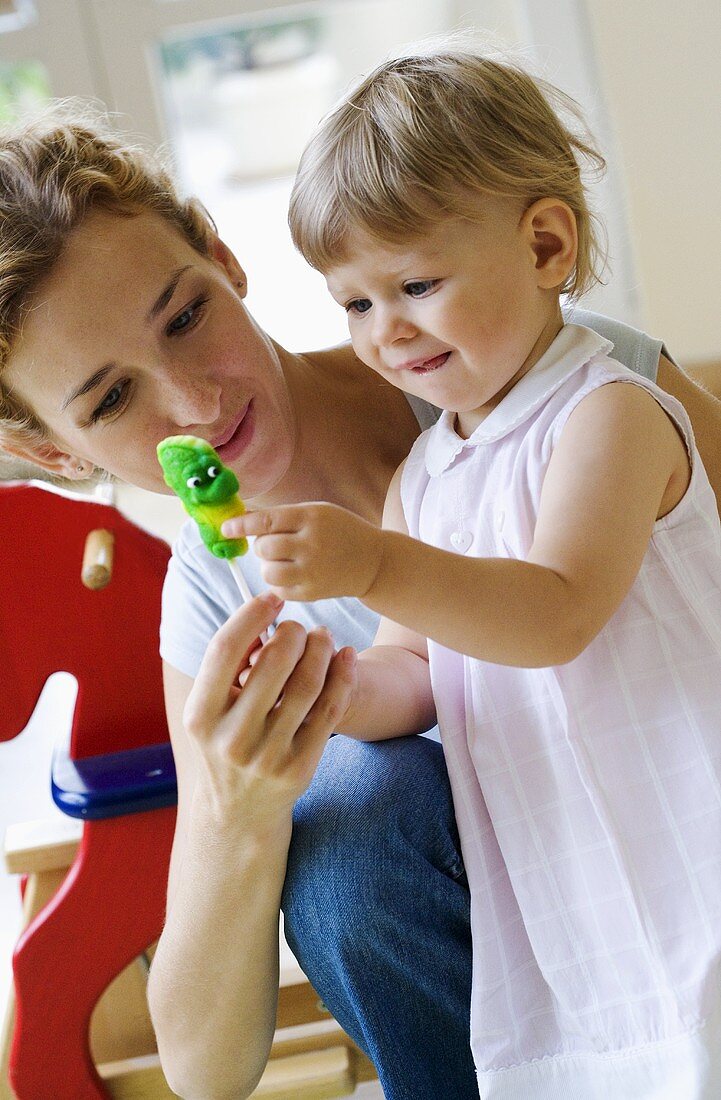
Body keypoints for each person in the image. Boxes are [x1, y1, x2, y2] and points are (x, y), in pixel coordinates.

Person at [0, 85, 719, 1100]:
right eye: (112, 398)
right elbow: (206, 1068)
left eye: (187, 314)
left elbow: (564, 605)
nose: (197, 402)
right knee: (346, 820)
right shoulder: (219, 609)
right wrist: (242, 808)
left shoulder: (548, 383)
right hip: (549, 985)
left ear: (222, 252)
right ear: (49, 453)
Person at [220, 47, 721, 1098]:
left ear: (546, 244)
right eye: (352, 303)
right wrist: (329, 685)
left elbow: (556, 613)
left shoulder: (607, 415)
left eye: (415, 284)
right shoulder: (427, 476)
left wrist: (375, 560)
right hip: (566, 862)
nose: (385, 331)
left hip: (689, 820)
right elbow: (413, 676)